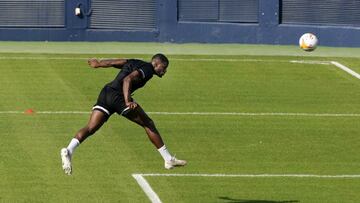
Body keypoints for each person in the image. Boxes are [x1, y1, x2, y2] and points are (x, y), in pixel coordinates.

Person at [60, 54, 186, 175]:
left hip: (106, 92)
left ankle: (69, 150)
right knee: (148, 123)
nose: (164, 71)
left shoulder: (135, 62)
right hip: (119, 98)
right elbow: (127, 79)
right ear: (156, 63)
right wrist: (127, 101)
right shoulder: (148, 69)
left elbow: (114, 62)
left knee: (90, 128)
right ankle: (168, 159)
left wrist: (98, 64)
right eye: (163, 68)